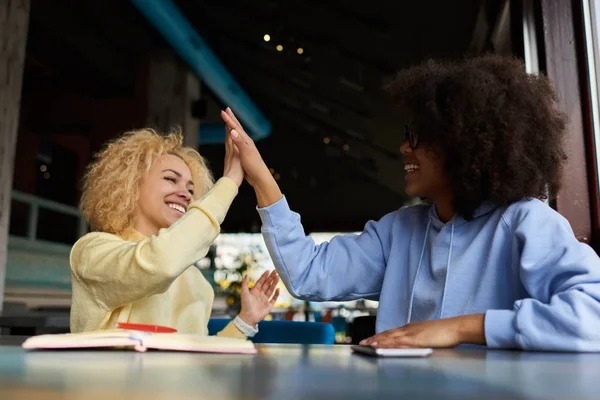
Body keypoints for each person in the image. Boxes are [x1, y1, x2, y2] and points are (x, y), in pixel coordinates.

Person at [221, 54, 600, 351]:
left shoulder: (526, 223)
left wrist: (458, 329)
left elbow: (592, 315)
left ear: (465, 143)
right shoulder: (400, 230)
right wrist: (260, 177)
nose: (404, 146)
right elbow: (307, 272)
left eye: (418, 135)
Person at [70, 126, 279, 338]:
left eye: (191, 190)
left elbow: (197, 359)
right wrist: (229, 182)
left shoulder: (197, 282)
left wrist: (245, 321)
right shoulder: (91, 252)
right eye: (170, 179)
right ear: (130, 185)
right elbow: (160, 263)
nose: (186, 195)